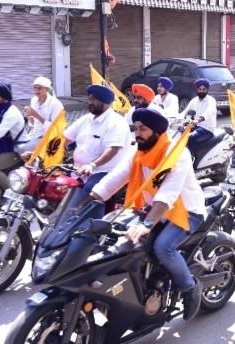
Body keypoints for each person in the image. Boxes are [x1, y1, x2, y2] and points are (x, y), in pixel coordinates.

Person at [88, 107, 206, 321]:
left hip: (186, 211)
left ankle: (190, 287)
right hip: (155, 212)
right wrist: (88, 201)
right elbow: (114, 179)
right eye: (135, 128)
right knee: (111, 238)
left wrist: (148, 223)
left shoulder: (176, 153)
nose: (137, 133)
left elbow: (167, 192)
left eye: (143, 129)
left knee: (163, 247)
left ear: (157, 131)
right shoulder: (139, 153)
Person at [62, 85, 132, 218]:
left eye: (94, 100)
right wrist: (41, 152)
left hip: (104, 171)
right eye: (90, 99)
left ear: (104, 102)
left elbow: (112, 150)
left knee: (90, 191)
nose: (90, 102)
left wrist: (92, 165)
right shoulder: (86, 119)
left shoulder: (117, 122)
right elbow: (64, 138)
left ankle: (91, 228)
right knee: (54, 183)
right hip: (78, 170)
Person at [18, 76, 64, 152]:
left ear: (47, 89)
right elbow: (33, 123)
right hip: (34, 135)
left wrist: (36, 115)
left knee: (23, 150)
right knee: (16, 146)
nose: (36, 91)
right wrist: (29, 115)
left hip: (49, 137)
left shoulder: (56, 104)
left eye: (39, 88)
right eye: (34, 88)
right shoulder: (34, 100)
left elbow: (56, 128)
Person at [180, 78, 217, 150]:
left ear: (207, 90)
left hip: (207, 129)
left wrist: (198, 120)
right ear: (197, 90)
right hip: (195, 126)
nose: (202, 91)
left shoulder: (211, 100)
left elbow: (208, 112)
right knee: (179, 133)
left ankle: (192, 157)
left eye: (204, 89)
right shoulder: (194, 100)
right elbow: (184, 112)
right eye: (200, 89)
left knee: (190, 137)